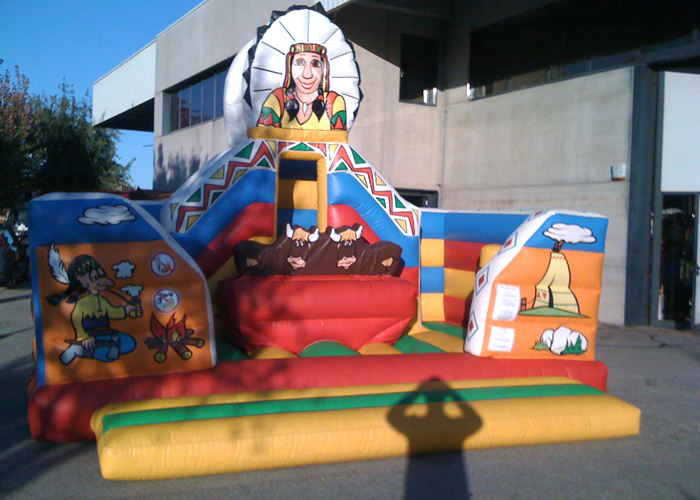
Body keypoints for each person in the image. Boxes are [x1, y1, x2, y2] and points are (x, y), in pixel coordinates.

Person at [45, 254, 142, 365]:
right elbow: (76, 319)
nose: (101, 280)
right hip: (91, 334)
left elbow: (113, 312)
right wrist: (84, 337)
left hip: (106, 332)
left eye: (101, 275)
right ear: (83, 282)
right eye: (95, 278)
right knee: (106, 354)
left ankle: (99, 348)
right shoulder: (82, 302)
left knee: (129, 342)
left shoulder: (103, 300)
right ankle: (78, 350)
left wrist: (126, 310)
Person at [258, 43, 346, 130]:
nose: (307, 75)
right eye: (299, 63)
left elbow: (339, 137)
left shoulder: (334, 101)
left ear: (324, 69)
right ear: (290, 67)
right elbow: (263, 135)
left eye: (315, 64)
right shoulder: (278, 98)